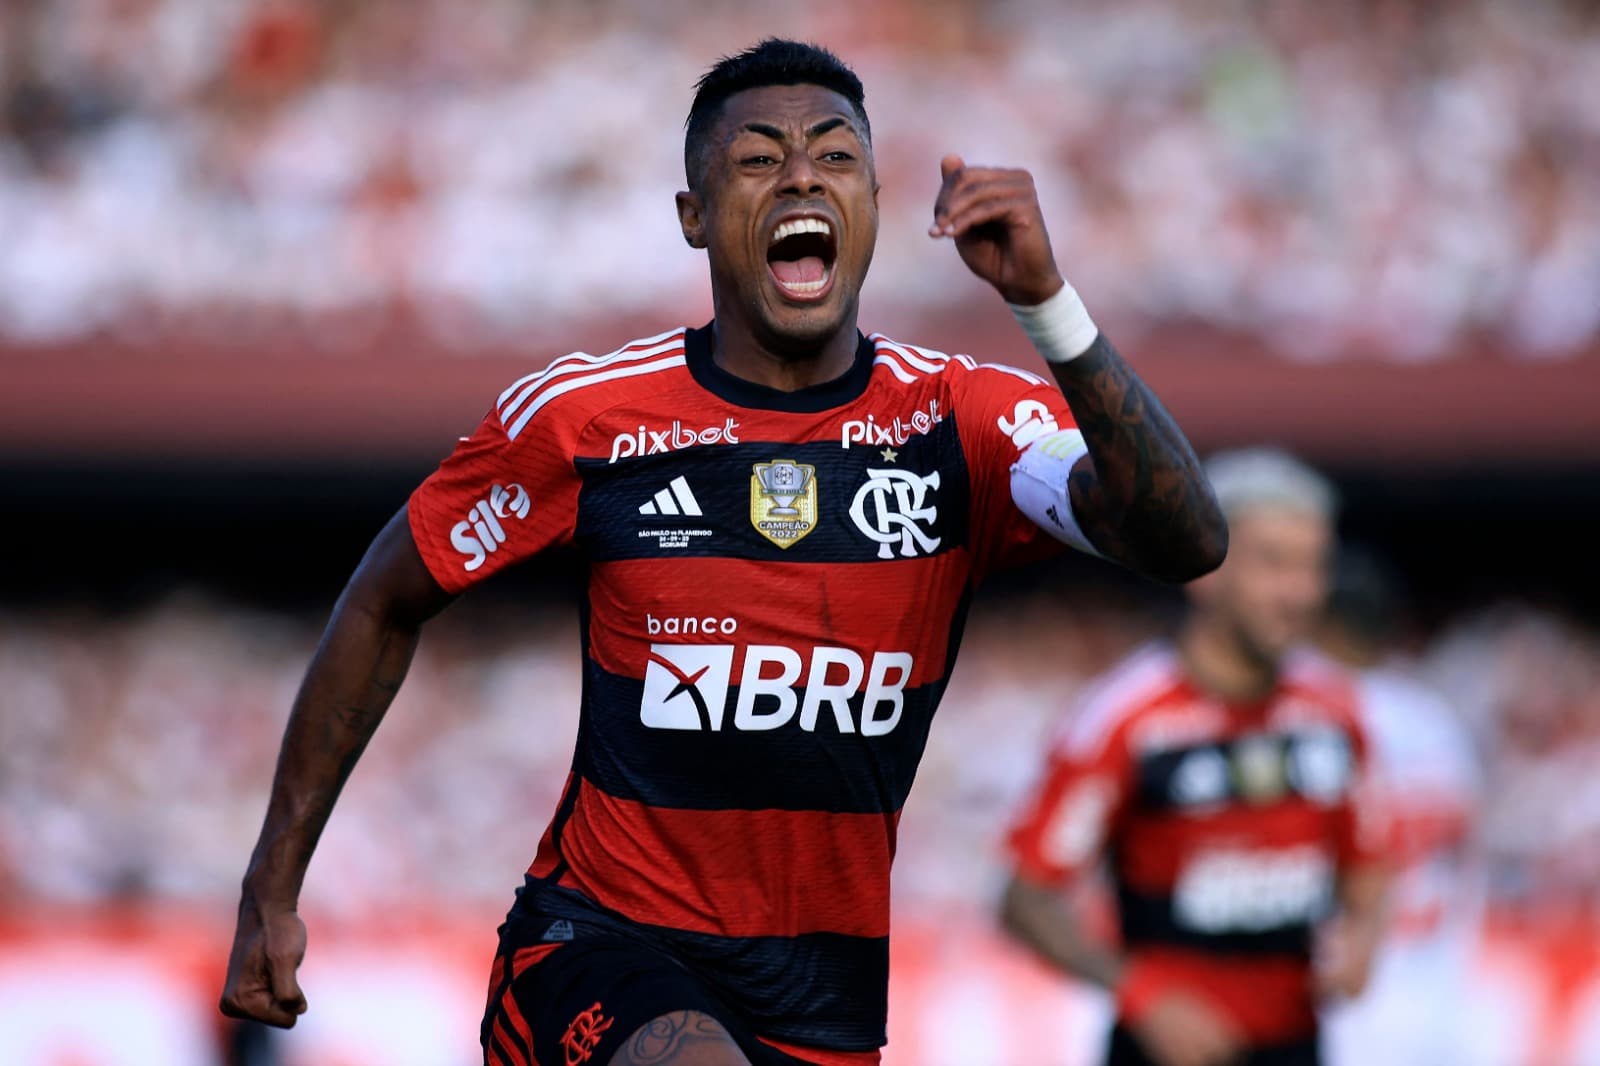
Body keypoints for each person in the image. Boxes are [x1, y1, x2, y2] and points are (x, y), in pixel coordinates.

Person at [219, 39, 1227, 1066]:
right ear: (693, 216)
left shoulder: (960, 420)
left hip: (824, 1001)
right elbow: (385, 597)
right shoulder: (588, 419)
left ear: (875, 204)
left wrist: (1047, 303)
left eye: (836, 156)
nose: (802, 178)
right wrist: (271, 887)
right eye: (757, 160)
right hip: (599, 947)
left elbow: (1186, 540)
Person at [1002, 449, 1387, 1066]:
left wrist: (1363, 938)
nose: (1300, 592)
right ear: (1204, 570)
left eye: (1313, 566)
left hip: (1299, 1047)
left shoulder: (1337, 711)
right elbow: (1026, 899)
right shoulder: (1126, 718)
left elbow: (1371, 862)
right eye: (1274, 564)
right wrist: (1139, 994)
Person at [1315, 549, 1484, 1066]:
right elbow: (1469, 849)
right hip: (1434, 986)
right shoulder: (1433, 720)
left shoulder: (1311, 715)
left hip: (1344, 988)